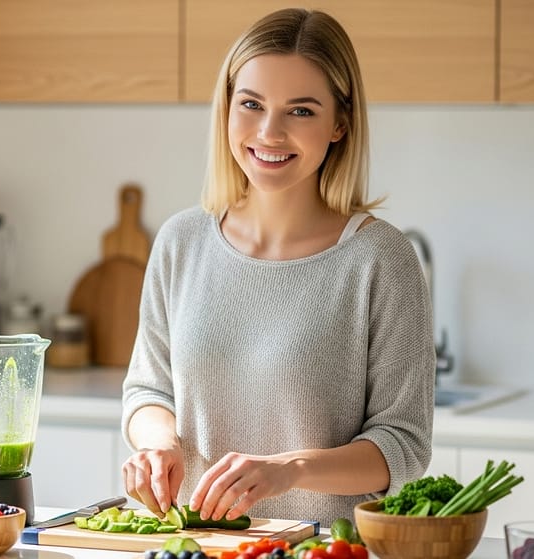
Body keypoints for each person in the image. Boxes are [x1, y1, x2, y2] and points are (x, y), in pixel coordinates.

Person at [120, 8, 435, 527]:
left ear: (340, 123)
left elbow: (402, 445)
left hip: (324, 546)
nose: (269, 132)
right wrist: (158, 445)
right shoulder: (181, 241)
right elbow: (148, 390)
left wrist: (288, 469)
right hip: (197, 543)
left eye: (301, 111)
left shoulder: (381, 260)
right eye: (251, 104)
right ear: (227, 108)